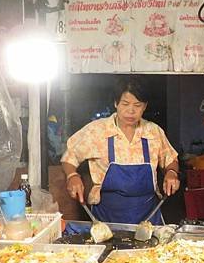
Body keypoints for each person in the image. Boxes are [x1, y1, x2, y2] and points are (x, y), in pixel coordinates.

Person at [61, 79, 180, 224]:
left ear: (145, 107)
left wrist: (171, 173)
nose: (131, 111)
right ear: (116, 103)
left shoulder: (153, 131)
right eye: (125, 104)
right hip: (107, 217)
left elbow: (171, 159)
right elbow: (69, 157)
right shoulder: (97, 130)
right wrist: (72, 176)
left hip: (149, 216)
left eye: (137, 105)